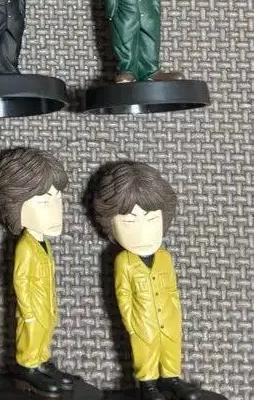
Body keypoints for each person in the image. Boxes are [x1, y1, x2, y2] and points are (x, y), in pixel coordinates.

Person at [91, 162, 200, 400]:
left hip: (168, 316)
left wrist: (175, 312)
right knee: (145, 350)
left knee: (171, 346)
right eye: (130, 222)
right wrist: (132, 323)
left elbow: (172, 289)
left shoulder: (165, 258)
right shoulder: (124, 261)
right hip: (143, 320)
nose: (143, 233)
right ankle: (147, 383)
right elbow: (123, 295)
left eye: (151, 220)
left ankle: (171, 377)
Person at [0, 147, 75, 397]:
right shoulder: (26, 246)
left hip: (45, 303)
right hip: (32, 306)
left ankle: (41, 360)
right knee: (32, 333)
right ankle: (28, 365)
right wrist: (27, 310)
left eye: (58, 199)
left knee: (45, 332)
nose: (56, 210)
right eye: (44, 202)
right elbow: (21, 280)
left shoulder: (43, 243)